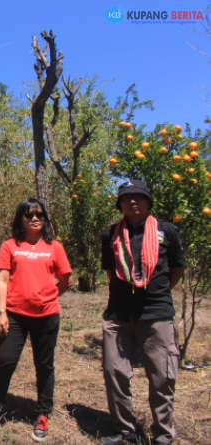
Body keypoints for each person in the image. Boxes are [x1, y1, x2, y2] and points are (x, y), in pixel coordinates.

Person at [0, 198, 72, 442]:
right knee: (5, 361)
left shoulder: (54, 247)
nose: (35, 218)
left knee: (44, 365)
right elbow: (2, 280)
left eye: (39, 214)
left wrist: (47, 296)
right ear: (21, 219)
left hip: (47, 317)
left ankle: (43, 413)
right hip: (14, 316)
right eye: (29, 215)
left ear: (44, 219)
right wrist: (1, 311)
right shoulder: (10, 246)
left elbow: (65, 280)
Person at [99, 180, 186, 445]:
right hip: (118, 315)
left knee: (162, 376)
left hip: (156, 314)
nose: (132, 201)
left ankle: (162, 433)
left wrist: (155, 291)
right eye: (126, 198)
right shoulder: (110, 234)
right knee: (114, 372)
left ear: (149, 202)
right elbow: (111, 272)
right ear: (120, 204)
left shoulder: (167, 231)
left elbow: (177, 269)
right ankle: (125, 429)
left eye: (138, 197)